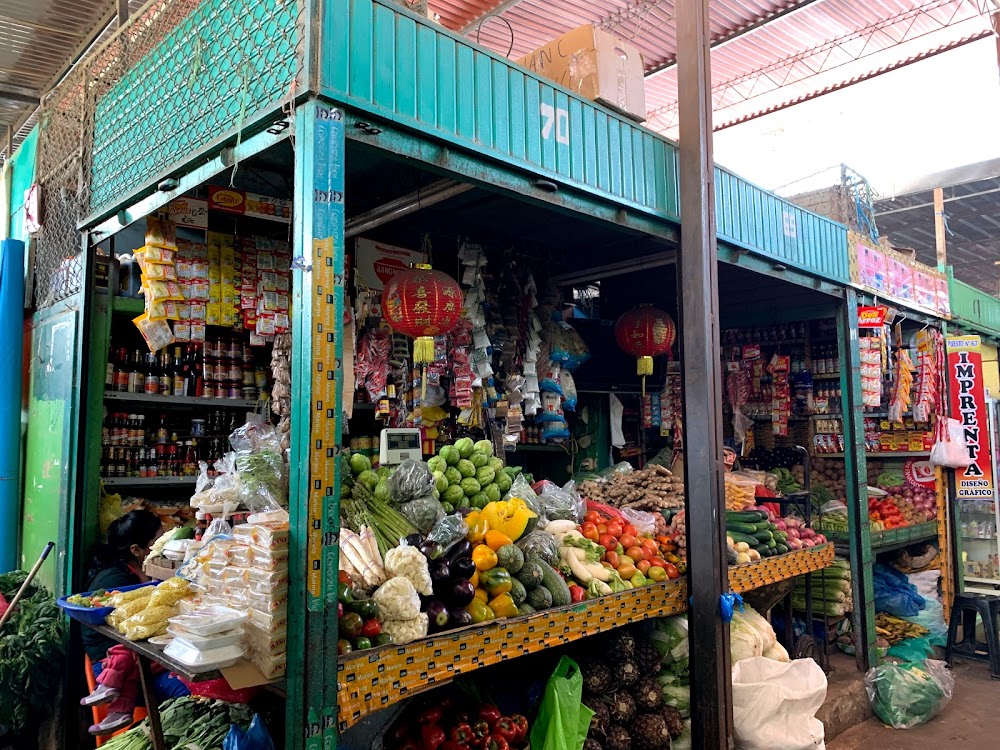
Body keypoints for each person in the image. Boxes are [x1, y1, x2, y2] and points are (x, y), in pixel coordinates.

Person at [81, 510, 188, 735]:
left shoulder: (146, 573)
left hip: (136, 656)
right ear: (136, 550)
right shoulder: (117, 581)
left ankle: (119, 710)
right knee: (186, 689)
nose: (165, 545)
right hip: (109, 661)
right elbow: (127, 634)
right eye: (158, 541)